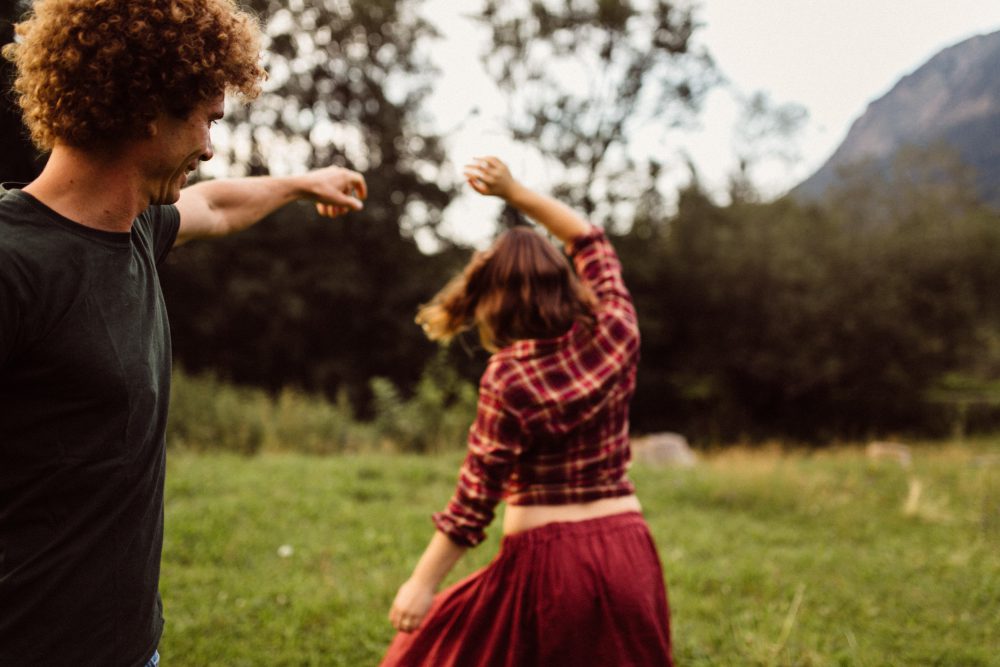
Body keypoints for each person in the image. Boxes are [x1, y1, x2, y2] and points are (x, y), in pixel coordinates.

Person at [0, 1, 366, 665]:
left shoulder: (134, 226)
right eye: (208, 118)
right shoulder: (15, 262)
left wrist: (299, 182)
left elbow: (215, 207)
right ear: (146, 105)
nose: (210, 146)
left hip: (132, 646)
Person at [381, 157, 673, 666]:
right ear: (563, 282)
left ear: (493, 299)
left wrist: (421, 585)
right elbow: (588, 239)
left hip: (547, 565)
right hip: (629, 550)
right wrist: (513, 192)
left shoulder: (509, 379)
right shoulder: (618, 327)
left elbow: (474, 503)